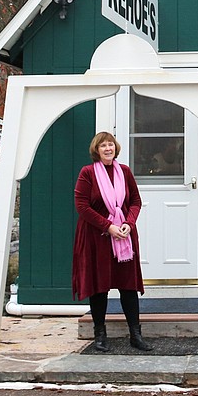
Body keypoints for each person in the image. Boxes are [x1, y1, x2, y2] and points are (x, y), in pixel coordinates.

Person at [72, 131, 153, 352]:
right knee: (99, 287)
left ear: (115, 148)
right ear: (96, 150)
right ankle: (99, 336)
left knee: (128, 287)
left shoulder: (124, 172)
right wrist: (108, 226)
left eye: (110, 145)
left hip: (124, 236)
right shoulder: (87, 173)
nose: (108, 149)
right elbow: (82, 206)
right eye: (103, 146)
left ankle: (135, 335)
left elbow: (135, 201)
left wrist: (129, 222)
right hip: (97, 237)